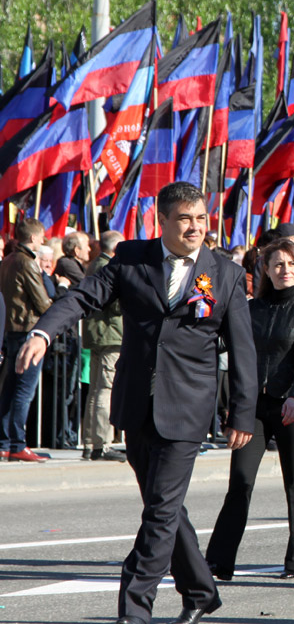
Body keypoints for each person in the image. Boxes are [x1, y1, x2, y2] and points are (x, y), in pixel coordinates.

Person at [17, 182, 257, 624]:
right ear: (161, 221)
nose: (195, 227)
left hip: (187, 407)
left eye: (201, 218)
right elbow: (83, 297)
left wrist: (242, 411)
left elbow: (243, 348)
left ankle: (134, 610)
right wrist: (43, 331)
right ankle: (202, 591)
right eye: (184, 218)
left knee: (162, 510)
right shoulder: (131, 258)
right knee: (163, 508)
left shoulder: (224, 274)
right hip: (136, 402)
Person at [206, 238, 294, 581]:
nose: (284, 270)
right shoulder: (250, 307)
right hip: (252, 408)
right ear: (266, 271)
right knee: (240, 481)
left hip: (292, 406)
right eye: (277, 265)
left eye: (291, 264)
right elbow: (222, 341)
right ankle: (219, 561)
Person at [0, 218, 53, 462]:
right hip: (28, 330)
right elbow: (42, 301)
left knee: (10, 387)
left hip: (11, 329)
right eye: (41, 237)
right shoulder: (27, 262)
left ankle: (5, 442)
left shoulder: (8, 259)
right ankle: (17, 443)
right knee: (24, 389)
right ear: (33, 237)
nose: (43, 241)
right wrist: (58, 312)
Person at [82, 230, 126, 462]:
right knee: (105, 390)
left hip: (99, 333)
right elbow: (114, 303)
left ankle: (91, 442)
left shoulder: (94, 264)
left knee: (96, 390)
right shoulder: (107, 266)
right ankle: (103, 444)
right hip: (110, 333)